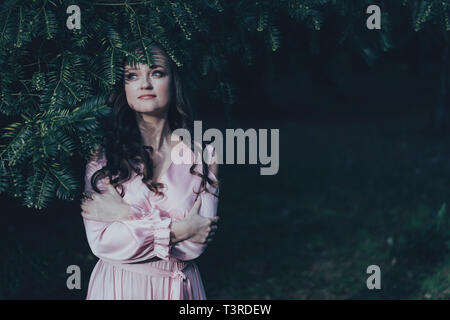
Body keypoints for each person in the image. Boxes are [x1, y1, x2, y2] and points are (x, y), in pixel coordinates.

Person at [80, 43, 220, 300]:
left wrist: (127, 214)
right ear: (124, 87)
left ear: (173, 81)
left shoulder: (203, 156)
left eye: (156, 72)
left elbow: (195, 245)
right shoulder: (103, 156)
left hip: (179, 288)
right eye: (132, 76)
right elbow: (102, 242)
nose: (144, 84)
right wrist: (179, 229)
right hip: (118, 287)